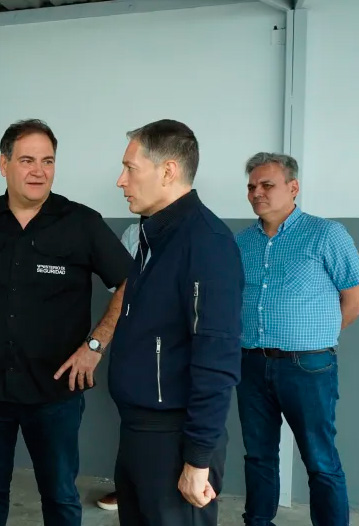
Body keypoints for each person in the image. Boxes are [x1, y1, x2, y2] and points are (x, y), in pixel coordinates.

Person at [0, 119, 132, 526]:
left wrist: (95, 345)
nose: (39, 171)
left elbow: (130, 283)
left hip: (54, 394)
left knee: (60, 496)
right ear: (4, 165)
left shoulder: (82, 223)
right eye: (27, 160)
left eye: (47, 161)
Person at [108, 119, 244, 525]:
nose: (120, 180)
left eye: (130, 168)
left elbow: (216, 358)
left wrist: (198, 458)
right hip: (138, 430)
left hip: (174, 436)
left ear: (168, 171)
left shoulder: (206, 242)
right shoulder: (153, 237)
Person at [235, 153, 359, 526]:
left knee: (320, 459)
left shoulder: (326, 234)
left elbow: (358, 299)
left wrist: (317, 335)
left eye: (267, 185)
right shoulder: (241, 242)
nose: (257, 193)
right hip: (251, 363)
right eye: (251, 186)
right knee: (258, 455)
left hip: (307, 366)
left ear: (293, 187)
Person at [96, 216, 147, 513]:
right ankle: (129, 489)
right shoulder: (134, 233)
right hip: (134, 335)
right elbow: (119, 287)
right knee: (131, 416)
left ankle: (174, 487)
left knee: (173, 418)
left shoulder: (195, 230)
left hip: (177, 340)